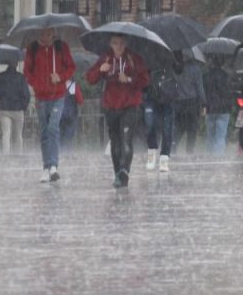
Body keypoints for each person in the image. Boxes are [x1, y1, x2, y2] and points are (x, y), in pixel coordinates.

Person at [86, 35, 150, 187]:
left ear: (126, 43)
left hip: (130, 105)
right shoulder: (105, 58)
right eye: (115, 43)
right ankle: (117, 174)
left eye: (121, 43)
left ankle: (124, 171)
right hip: (111, 106)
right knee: (115, 142)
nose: (119, 47)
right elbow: (90, 78)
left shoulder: (133, 58)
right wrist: (100, 70)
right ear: (110, 44)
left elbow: (145, 80)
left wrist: (128, 79)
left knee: (126, 139)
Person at [24, 27, 75, 183]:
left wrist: (59, 77)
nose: (46, 36)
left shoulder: (61, 47)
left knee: (53, 127)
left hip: (58, 95)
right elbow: (27, 71)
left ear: (54, 33)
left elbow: (71, 67)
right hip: (41, 97)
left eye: (49, 33)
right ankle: (46, 166)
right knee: (44, 130)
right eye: (43, 33)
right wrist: (37, 84)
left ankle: (53, 165)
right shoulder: (32, 49)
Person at [145, 55, 182, 173]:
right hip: (151, 94)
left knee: (167, 127)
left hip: (168, 95)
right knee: (149, 123)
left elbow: (179, 69)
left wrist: (174, 59)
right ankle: (151, 151)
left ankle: (164, 157)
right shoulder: (148, 47)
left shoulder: (173, 48)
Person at [0, 60, 30, 154]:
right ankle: (18, 155)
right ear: (16, 64)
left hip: (4, 109)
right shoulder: (21, 77)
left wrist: (3, 93)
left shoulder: (0, 76)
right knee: (18, 135)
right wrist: (23, 107)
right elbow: (26, 95)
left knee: (6, 133)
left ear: (7, 64)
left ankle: (6, 155)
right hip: (18, 109)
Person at [172, 51, 207, 155]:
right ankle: (189, 150)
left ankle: (173, 148)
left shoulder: (174, 69)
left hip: (178, 103)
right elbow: (200, 88)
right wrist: (204, 103)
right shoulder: (195, 69)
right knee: (192, 128)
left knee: (179, 127)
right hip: (192, 103)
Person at [203, 56, 232, 155]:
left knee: (210, 134)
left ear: (212, 63)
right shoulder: (227, 76)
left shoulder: (206, 76)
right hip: (224, 109)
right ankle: (218, 156)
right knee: (221, 135)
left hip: (210, 108)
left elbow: (204, 92)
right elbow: (229, 93)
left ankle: (209, 154)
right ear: (223, 64)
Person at [59, 77, 83, 149]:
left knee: (60, 135)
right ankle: (67, 151)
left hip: (60, 115)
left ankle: (60, 151)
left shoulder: (58, 85)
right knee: (69, 135)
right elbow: (80, 100)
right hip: (72, 115)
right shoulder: (74, 86)